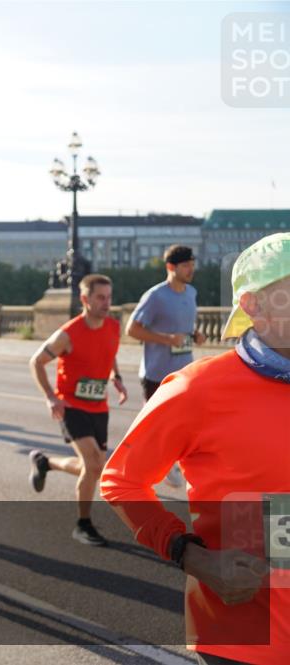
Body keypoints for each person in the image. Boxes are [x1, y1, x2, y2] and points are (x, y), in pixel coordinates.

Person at [102, 232, 290, 665]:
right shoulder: (197, 389)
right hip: (244, 640)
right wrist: (192, 556)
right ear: (253, 306)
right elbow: (122, 481)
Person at [27, 273, 128, 547]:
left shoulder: (113, 327)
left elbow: (110, 353)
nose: (106, 303)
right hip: (71, 406)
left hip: (99, 407)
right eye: (100, 297)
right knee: (95, 464)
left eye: (109, 297)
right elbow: (36, 362)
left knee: (93, 467)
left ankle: (45, 463)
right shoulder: (68, 334)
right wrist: (51, 397)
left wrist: (115, 378)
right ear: (85, 299)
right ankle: (83, 524)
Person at [126, 245, 207, 489]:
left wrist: (196, 334)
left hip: (184, 371)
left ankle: (175, 462)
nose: (191, 269)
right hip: (156, 373)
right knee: (154, 427)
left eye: (192, 264)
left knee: (187, 422)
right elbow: (132, 329)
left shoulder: (191, 293)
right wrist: (167, 339)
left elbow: (185, 327)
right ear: (171, 267)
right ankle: (134, 469)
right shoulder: (156, 296)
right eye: (185, 265)